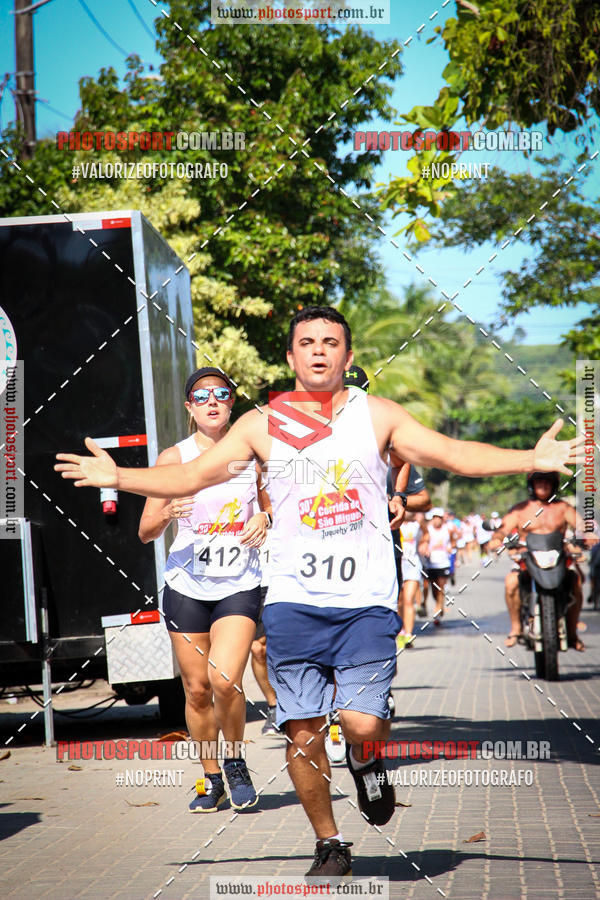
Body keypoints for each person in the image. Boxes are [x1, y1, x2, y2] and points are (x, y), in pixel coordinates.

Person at [56, 306, 583, 879]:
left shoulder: (377, 416)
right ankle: (329, 843)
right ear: (291, 357)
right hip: (291, 603)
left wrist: (530, 459)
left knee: (361, 725)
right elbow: (190, 477)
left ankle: (367, 758)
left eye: (331, 342)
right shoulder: (260, 424)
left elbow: (450, 454)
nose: (318, 351)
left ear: (347, 357)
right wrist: (120, 478)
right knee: (302, 729)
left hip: (364, 604)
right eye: (306, 342)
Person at [138, 367, 272, 812]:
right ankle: (210, 777)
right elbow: (145, 530)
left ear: (232, 402)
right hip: (187, 586)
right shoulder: (174, 459)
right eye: (202, 396)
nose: (212, 401)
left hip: (239, 584)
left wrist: (264, 517)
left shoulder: (255, 454)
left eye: (221, 394)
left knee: (224, 680)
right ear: (190, 407)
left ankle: (235, 763)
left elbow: (276, 506)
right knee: (196, 690)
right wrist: (167, 512)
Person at [488, 471, 593, 650]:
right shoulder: (520, 509)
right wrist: (497, 539)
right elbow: (503, 529)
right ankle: (515, 628)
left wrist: (587, 535)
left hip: (558, 558)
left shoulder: (563, 508)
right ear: (531, 485)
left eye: (547, 481)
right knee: (511, 582)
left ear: (554, 485)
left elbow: (583, 526)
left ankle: (573, 633)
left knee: (576, 580)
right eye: (539, 481)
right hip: (526, 558)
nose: (543, 484)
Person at [424, 508, 458, 626]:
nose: (436, 520)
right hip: (431, 563)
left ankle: (437, 611)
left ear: (442, 519)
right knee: (434, 589)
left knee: (441, 587)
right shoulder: (427, 530)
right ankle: (440, 605)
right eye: (434, 518)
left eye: (439, 518)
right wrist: (426, 550)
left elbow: (454, 542)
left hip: (444, 562)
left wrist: (451, 548)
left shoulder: (447, 530)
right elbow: (424, 542)